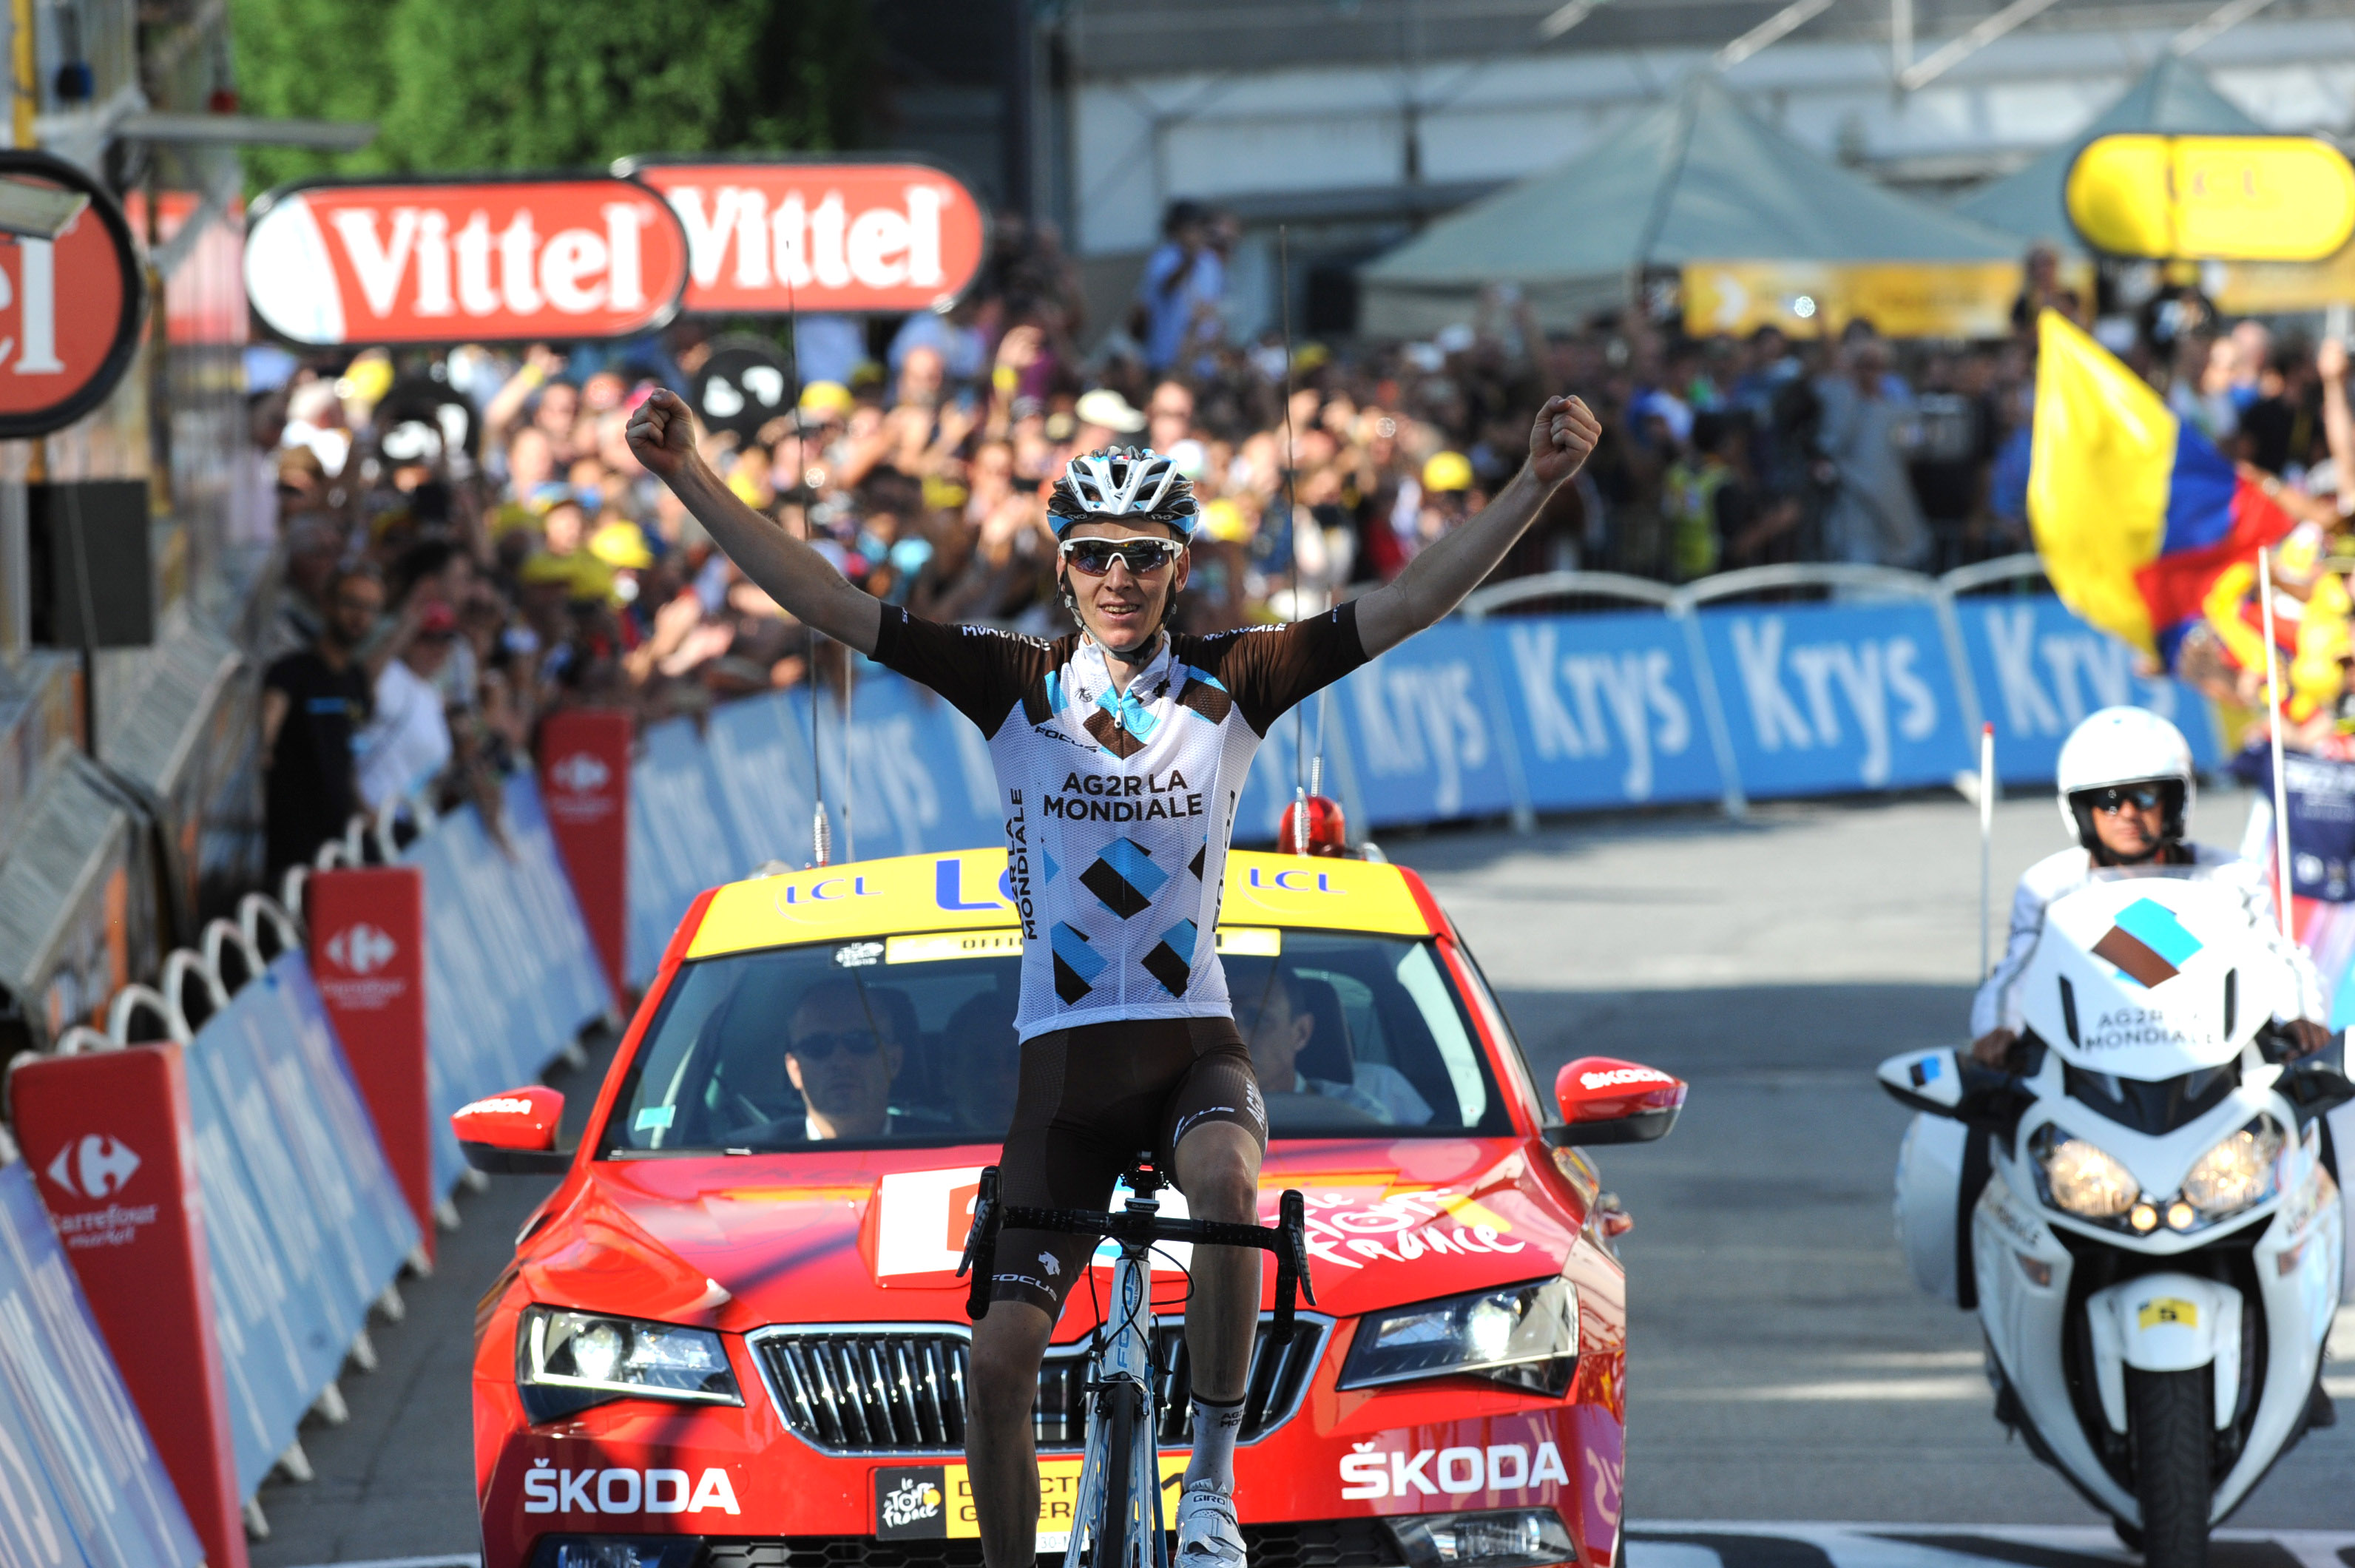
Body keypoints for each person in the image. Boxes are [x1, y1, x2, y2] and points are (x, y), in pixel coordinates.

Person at [627, 379, 1601, 1568]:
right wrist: (687, 476)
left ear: (1178, 565)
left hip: (1194, 1045)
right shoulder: (1013, 686)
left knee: (1231, 1192)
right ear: (1064, 566)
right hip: (1065, 1076)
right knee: (994, 1362)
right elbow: (825, 600)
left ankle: (1212, 1487)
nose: (1120, 578)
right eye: (1095, 555)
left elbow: (1404, 603)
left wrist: (1534, 485)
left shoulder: (1234, 680)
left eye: (1145, 555)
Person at [1969, 706, 2328, 1066]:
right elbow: (2017, 970)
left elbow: (2276, 954)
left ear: (2173, 802)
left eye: (2143, 796)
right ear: (2081, 809)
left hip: (2212, 1057)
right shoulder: (2048, 886)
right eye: (2108, 800)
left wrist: (2302, 1015)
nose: (2127, 812)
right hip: (2086, 1059)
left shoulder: (2232, 877)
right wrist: (1997, 1027)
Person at [260, 565, 408, 877]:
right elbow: (267, 727)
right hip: (293, 844)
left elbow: (347, 752)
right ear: (328, 604)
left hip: (339, 844)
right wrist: (265, 742)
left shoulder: (356, 680)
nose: (359, 616)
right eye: (351, 603)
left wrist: (361, 806)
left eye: (370, 609)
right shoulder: (291, 671)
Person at [1238, 968, 1431, 1126]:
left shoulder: (1360, 1120)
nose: (1232, 1036)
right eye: (1213, 1019)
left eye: (1257, 1019)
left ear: (1301, 1033)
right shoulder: (1354, 1118)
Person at [786, 979, 903, 1140]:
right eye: (818, 1045)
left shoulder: (947, 1155)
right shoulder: (748, 1154)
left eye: (860, 1041)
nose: (841, 1061)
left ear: (893, 1061)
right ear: (795, 1070)